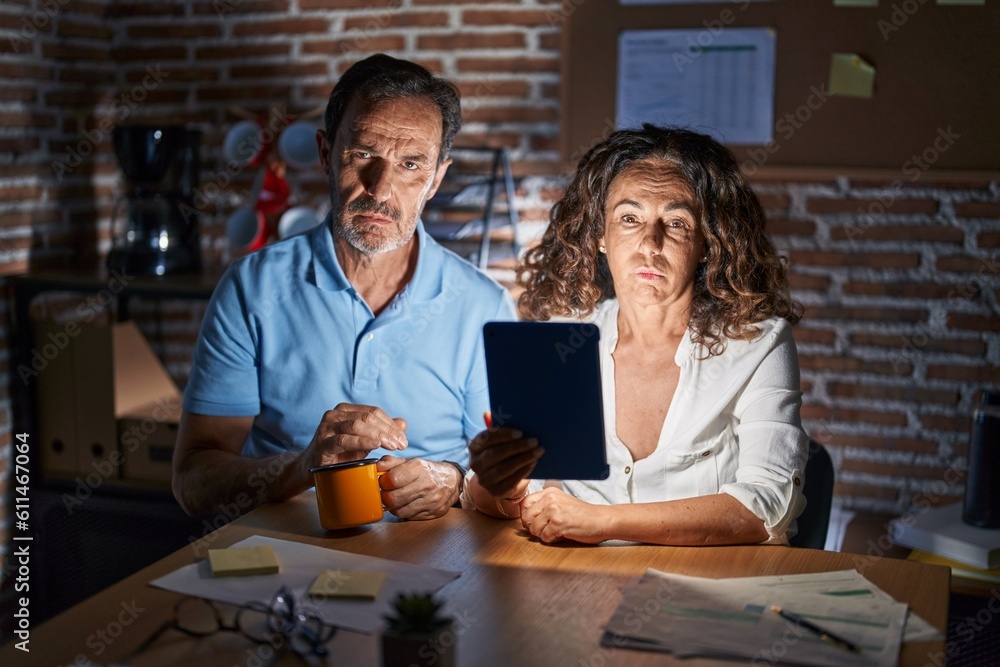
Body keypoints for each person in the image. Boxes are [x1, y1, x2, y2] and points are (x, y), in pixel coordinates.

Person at [173, 54, 515, 521]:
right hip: (286, 556)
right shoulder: (251, 288)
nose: (380, 188)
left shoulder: (484, 305)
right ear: (325, 153)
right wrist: (301, 467)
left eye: (411, 164)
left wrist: (454, 483)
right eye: (362, 155)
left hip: (432, 559)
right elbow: (193, 480)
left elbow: (509, 478)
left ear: (436, 179)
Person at [465, 125, 808, 546]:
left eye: (677, 222)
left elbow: (765, 506)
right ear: (600, 236)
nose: (650, 243)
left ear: (708, 243)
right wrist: (503, 485)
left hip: (710, 593)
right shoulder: (561, 340)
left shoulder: (759, 343)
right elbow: (491, 498)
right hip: (577, 591)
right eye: (630, 218)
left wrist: (602, 521)